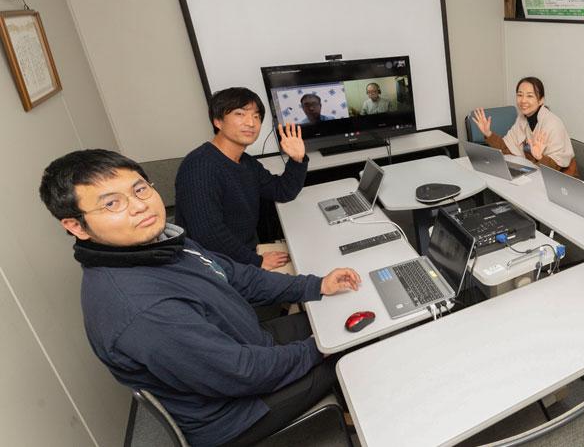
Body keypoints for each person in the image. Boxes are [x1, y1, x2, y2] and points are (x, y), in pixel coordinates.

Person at [38, 149, 362, 446]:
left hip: (247, 344)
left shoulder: (162, 243)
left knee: (342, 315)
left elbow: (239, 276)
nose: (139, 205)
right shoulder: (140, 309)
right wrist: (322, 347)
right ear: (77, 226)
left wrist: (315, 286)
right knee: (355, 346)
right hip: (237, 411)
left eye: (139, 189)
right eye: (111, 203)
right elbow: (243, 373)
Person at [175, 87, 308, 271]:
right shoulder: (199, 166)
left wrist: (297, 159)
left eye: (256, 116)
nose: (251, 123)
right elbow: (209, 236)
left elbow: (282, 191)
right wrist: (256, 261)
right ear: (217, 121)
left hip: (242, 254)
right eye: (240, 114)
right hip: (214, 266)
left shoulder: (246, 162)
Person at [470, 76, 578, 176]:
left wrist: (540, 157)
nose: (523, 100)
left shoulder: (553, 124)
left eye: (530, 96)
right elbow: (506, 149)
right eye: (520, 95)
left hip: (560, 180)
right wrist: (488, 134)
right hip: (534, 174)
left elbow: (557, 168)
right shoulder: (522, 119)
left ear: (541, 100)